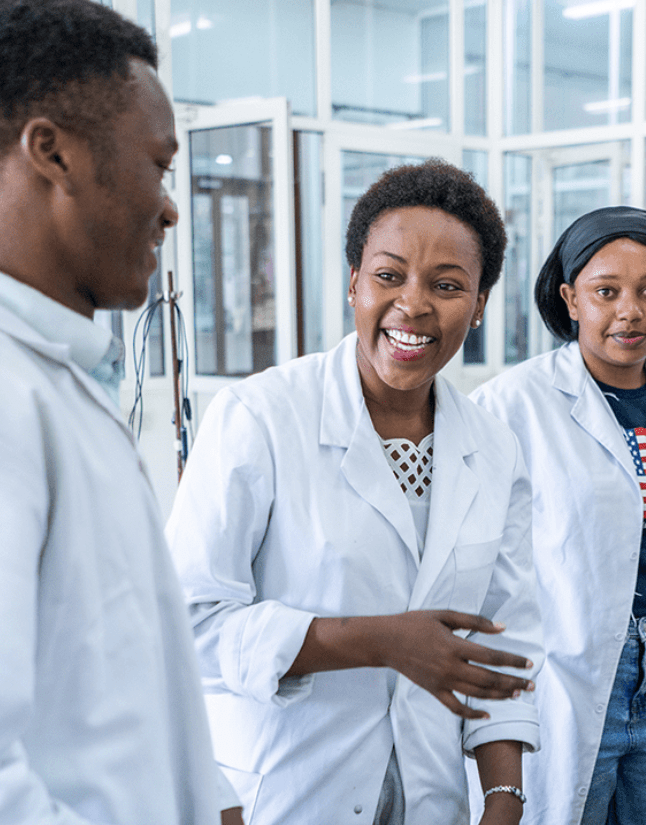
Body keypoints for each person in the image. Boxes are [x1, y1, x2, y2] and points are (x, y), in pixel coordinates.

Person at [166, 160, 543, 825]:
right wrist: (378, 641)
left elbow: (505, 641)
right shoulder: (259, 417)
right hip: (287, 790)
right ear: (353, 284)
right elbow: (187, 622)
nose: (414, 304)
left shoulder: (493, 444)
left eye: (448, 285)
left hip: (432, 795)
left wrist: (503, 799)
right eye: (389, 275)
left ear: (480, 305)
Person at [0, 1, 242, 822]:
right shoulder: (9, 396)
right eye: (158, 165)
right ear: (52, 153)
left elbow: (111, 686)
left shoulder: (61, 377)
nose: (170, 208)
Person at [471, 206, 646, 825]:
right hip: (564, 668)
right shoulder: (512, 406)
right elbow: (484, 573)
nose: (630, 312)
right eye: (606, 291)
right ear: (570, 299)